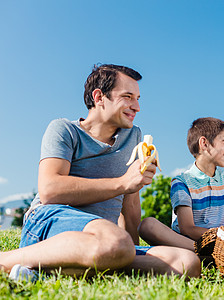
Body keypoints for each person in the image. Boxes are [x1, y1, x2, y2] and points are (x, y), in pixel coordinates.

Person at [0, 64, 200, 281]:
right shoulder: (64, 130)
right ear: (99, 97)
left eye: (138, 98)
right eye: (128, 96)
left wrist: (128, 249)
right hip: (48, 223)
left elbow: (131, 204)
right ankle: (6, 260)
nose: (137, 107)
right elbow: (50, 190)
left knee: (186, 263)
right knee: (115, 242)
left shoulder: (133, 136)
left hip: (104, 240)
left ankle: (44, 270)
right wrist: (123, 183)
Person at [139, 117, 224, 248]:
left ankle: (213, 253)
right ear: (204, 143)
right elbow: (187, 229)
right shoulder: (182, 182)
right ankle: (204, 253)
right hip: (194, 243)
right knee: (148, 226)